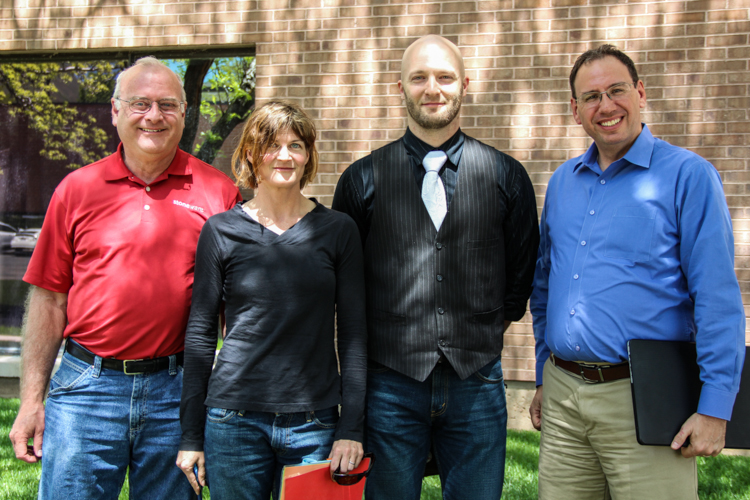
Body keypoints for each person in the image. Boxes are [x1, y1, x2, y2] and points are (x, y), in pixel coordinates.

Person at [7, 57, 241, 499]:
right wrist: (31, 401)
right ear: (115, 112)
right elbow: (49, 300)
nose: (154, 116)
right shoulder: (78, 189)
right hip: (86, 390)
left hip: (179, 392)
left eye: (168, 105)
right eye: (140, 104)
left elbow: (234, 309)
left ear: (185, 113)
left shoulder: (218, 193)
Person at [529, 44, 746, 500]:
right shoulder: (563, 183)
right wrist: (543, 375)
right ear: (575, 110)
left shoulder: (689, 176)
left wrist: (715, 409)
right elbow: (545, 285)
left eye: (616, 90)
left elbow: (717, 299)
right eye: (591, 97)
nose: (605, 106)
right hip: (564, 399)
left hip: (643, 397)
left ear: (641, 92)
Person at [332, 35, 539, 500]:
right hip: (389, 383)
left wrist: (473, 332)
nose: (433, 88)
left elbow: (519, 281)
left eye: (445, 77)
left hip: (477, 381)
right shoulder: (361, 179)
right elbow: (349, 293)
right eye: (419, 77)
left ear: (465, 85)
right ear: (399, 88)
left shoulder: (507, 175)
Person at [176, 100, 368, 500]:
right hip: (233, 419)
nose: (284, 156)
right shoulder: (221, 230)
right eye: (272, 145)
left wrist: (350, 429)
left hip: (313, 421)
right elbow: (199, 335)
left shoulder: (338, 230)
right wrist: (192, 434)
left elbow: (353, 335)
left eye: (296, 145)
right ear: (250, 154)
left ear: (308, 156)